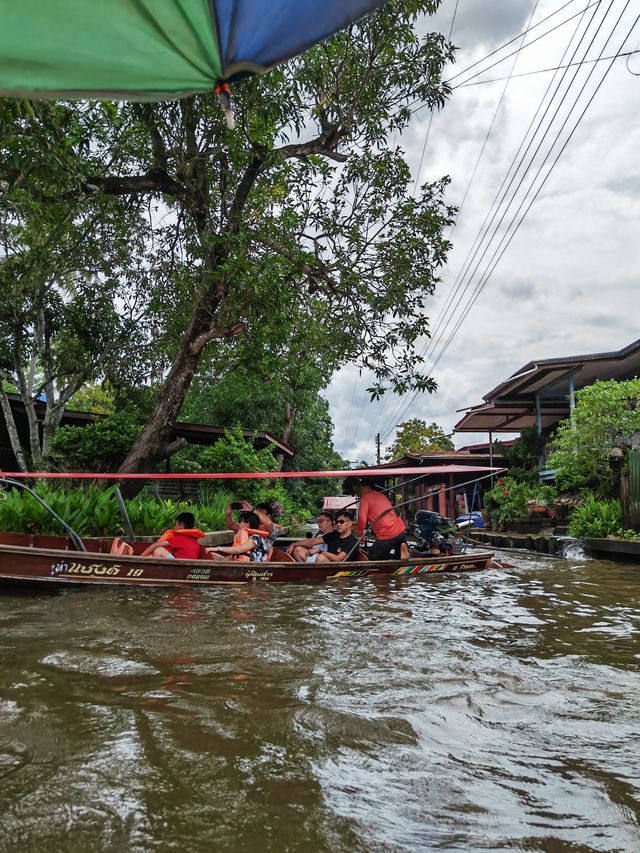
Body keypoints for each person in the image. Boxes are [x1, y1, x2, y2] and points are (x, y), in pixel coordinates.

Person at [344, 477, 408, 560]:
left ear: (364, 487)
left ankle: (398, 558)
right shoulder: (381, 495)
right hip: (400, 531)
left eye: (358, 488)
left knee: (372, 556)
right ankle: (401, 556)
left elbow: (362, 519)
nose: (357, 491)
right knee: (394, 556)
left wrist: (359, 535)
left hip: (387, 533)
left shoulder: (365, 497)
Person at [141, 512, 205, 560]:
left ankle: (159, 572)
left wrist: (139, 558)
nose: (174, 527)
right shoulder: (194, 539)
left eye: (175, 525)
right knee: (152, 556)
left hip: (181, 566)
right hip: (188, 565)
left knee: (158, 550)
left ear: (181, 526)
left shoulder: (179, 538)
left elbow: (154, 545)